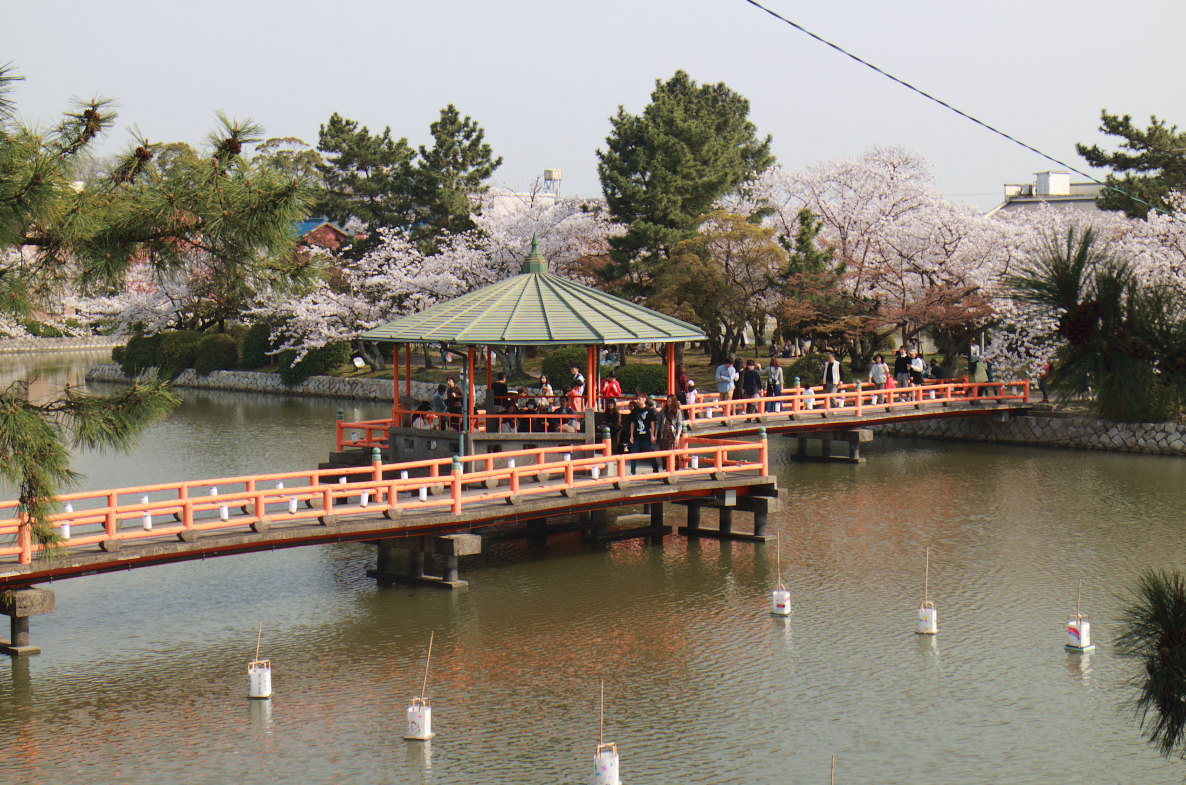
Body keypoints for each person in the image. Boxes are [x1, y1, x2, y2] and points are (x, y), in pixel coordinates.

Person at [627, 394, 659, 474]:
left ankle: (655, 468)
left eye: (639, 399)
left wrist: (652, 435)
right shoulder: (635, 411)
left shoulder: (649, 410)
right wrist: (631, 435)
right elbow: (632, 423)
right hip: (636, 436)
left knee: (649, 453)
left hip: (646, 437)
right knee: (633, 454)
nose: (638, 400)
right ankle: (632, 471)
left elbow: (652, 424)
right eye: (637, 399)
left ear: (644, 399)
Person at [656, 394, 684, 461]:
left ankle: (672, 468)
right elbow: (658, 422)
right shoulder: (663, 410)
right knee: (664, 452)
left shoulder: (678, 412)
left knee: (672, 452)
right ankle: (667, 469)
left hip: (672, 435)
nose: (669, 403)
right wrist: (655, 434)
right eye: (668, 401)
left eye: (671, 401)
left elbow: (679, 424)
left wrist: (678, 435)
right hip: (664, 434)